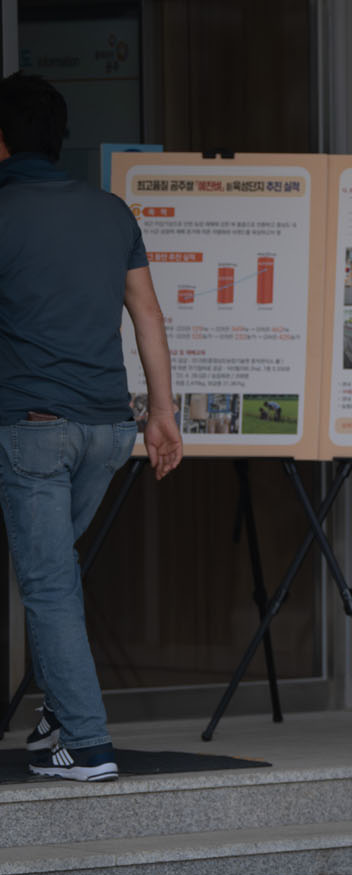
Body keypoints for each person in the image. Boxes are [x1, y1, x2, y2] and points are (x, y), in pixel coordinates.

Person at [0, 73, 183, 782]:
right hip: (108, 431)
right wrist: (161, 413)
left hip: (34, 432)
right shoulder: (111, 212)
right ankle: (57, 715)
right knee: (55, 572)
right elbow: (148, 315)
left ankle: (84, 742)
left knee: (47, 584)